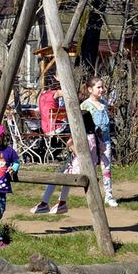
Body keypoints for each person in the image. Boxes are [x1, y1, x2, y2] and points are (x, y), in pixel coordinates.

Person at [31, 111, 100, 215]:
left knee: (54, 179)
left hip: (81, 169)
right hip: (85, 168)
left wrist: (71, 145)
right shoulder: (94, 136)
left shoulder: (87, 138)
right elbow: (102, 150)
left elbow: (83, 156)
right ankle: (61, 203)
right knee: (63, 173)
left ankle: (45, 203)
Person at [80, 77, 119, 207]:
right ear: (90, 89)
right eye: (98, 87)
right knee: (92, 170)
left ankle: (109, 195)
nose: (101, 90)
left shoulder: (104, 103)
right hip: (92, 142)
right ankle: (94, 196)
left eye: (102, 87)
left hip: (106, 141)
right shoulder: (85, 105)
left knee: (106, 168)